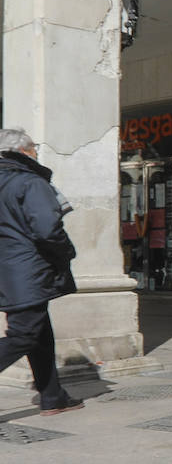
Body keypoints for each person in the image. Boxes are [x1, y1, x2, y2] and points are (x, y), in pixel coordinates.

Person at [0, 129, 82, 416]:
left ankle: (52, 397)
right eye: (33, 147)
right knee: (23, 335)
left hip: (10, 272)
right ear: (23, 151)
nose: (36, 151)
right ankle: (53, 396)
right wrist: (67, 251)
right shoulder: (29, 182)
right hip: (29, 270)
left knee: (40, 334)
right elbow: (47, 228)